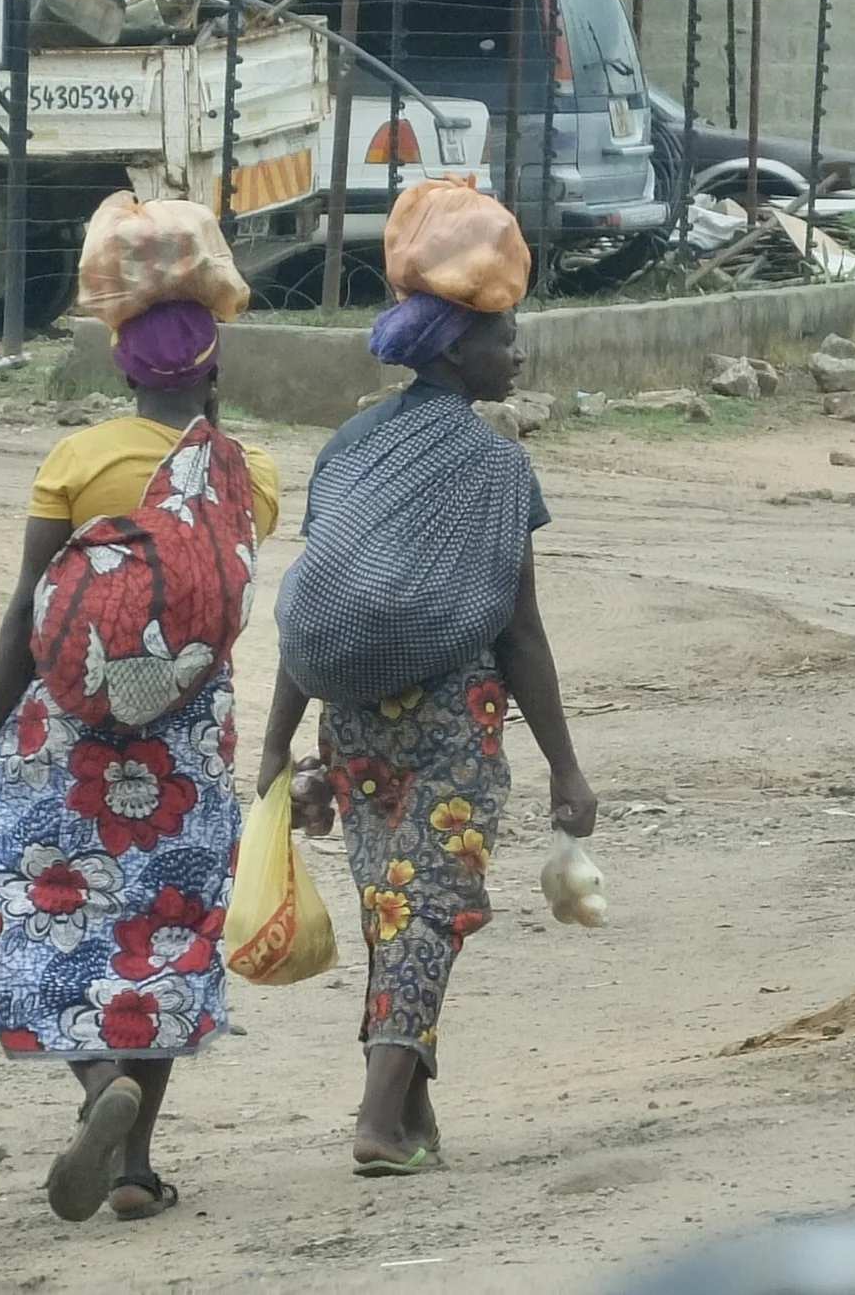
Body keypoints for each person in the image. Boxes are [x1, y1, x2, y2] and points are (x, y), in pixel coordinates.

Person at [0, 294, 280, 1223]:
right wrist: (215, 421)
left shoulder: (77, 462)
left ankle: (95, 1082)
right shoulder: (251, 479)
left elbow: (26, 617)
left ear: (122, 369)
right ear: (214, 372)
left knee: (43, 913)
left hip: (67, 736)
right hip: (186, 749)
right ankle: (134, 1168)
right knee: (163, 933)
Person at [256, 289, 598, 1176]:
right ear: (454, 353)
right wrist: (566, 765)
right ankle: (376, 1119)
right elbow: (519, 632)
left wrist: (277, 741)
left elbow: (319, 601)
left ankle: (412, 1108)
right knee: (425, 911)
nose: (516, 356)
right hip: (453, 720)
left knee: (394, 908)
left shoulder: (348, 448)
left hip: (354, 724)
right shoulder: (496, 466)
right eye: (502, 339)